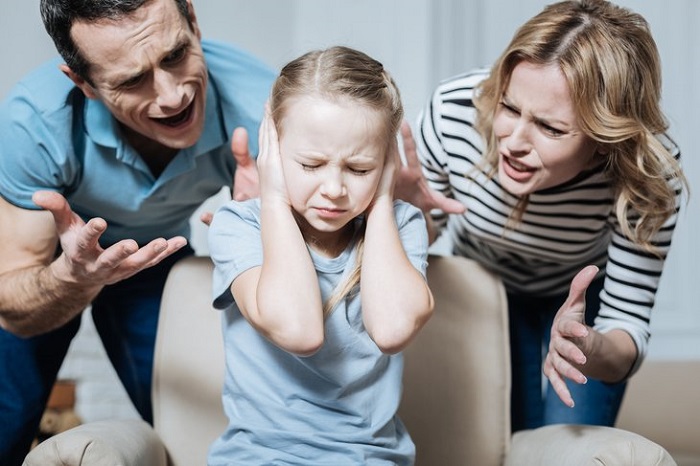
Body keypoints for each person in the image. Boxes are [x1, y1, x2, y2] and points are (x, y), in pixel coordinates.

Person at [0, 0, 275, 463]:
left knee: (197, 428)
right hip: (51, 263)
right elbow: (10, 303)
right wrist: (74, 278)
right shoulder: (33, 124)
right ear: (82, 83)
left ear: (193, 21)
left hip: (155, 255)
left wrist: (271, 232)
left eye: (174, 56)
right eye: (132, 80)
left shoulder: (260, 108)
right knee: (7, 421)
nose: (172, 95)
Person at [396, 0, 687, 432]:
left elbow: (626, 328)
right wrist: (401, 215)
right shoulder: (455, 113)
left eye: (551, 128)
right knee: (504, 439)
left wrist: (589, 343)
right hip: (483, 284)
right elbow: (427, 229)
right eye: (510, 108)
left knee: (563, 449)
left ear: (605, 138)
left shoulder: (648, 176)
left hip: (582, 296)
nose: (513, 142)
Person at [206, 46, 434, 465]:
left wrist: (383, 200)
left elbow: (392, 330)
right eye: (311, 164)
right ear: (272, 145)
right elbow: (299, 332)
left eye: (360, 168)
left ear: (385, 161)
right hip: (258, 458)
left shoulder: (401, 226)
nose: (334, 188)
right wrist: (272, 197)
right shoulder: (239, 225)